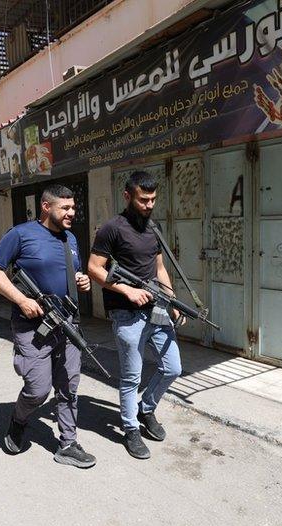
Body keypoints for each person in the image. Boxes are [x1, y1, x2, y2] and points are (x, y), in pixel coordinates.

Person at [0, 184, 96, 468]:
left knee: (69, 385)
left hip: (67, 324)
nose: (71, 213)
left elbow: (70, 272)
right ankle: (19, 420)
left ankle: (68, 443)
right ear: (46, 207)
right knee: (37, 389)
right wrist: (21, 300)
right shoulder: (21, 234)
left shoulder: (70, 238)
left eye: (73, 208)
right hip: (32, 326)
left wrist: (82, 280)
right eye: (65, 208)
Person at [87, 171, 183, 460]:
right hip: (127, 314)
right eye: (143, 199)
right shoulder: (111, 229)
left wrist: (173, 301)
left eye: (153, 199)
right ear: (128, 196)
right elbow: (94, 268)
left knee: (173, 367)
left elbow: (160, 269)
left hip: (157, 311)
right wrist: (127, 291)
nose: (149, 204)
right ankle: (130, 429)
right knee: (131, 377)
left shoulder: (153, 228)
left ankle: (146, 409)